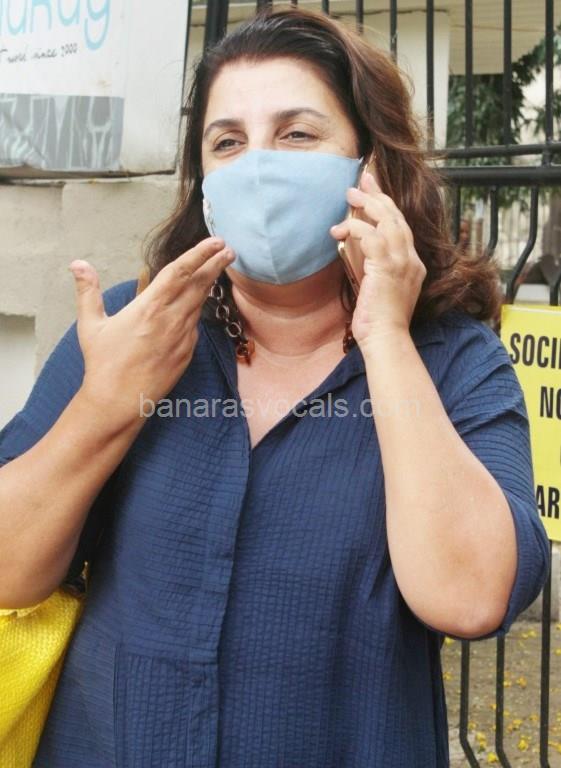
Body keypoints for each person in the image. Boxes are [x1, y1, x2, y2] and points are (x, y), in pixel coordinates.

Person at [0, 7, 550, 767]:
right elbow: (8, 573)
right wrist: (106, 404)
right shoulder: (134, 328)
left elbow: (469, 597)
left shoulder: (454, 360)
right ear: (203, 185)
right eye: (228, 142)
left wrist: (385, 337)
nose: (258, 167)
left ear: (371, 167)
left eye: (296, 134)